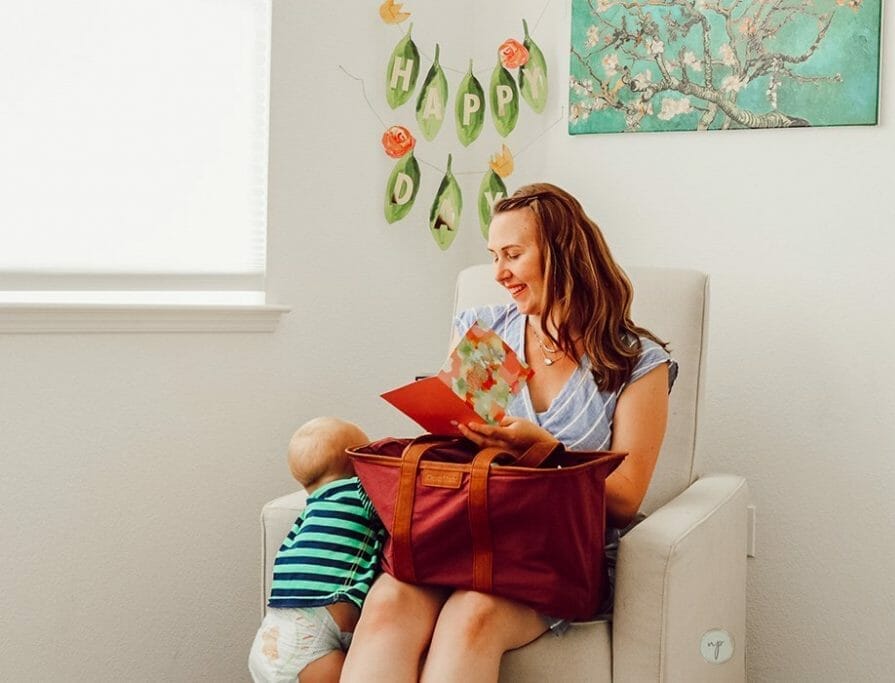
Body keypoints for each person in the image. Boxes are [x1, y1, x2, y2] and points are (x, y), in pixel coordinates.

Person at [340, 182, 678, 682]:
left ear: (563, 254)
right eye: (494, 256)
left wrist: (543, 453)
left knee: (471, 616)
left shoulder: (632, 363)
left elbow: (626, 500)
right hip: (462, 536)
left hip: (551, 556)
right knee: (388, 602)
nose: (499, 274)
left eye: (513, 255)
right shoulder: (489, 333)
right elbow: (456, 448)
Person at [249, 417, 383, 683]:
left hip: (273, 638)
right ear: (357, 464)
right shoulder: (360, 493)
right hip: (311, 645)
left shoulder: (310, 512)